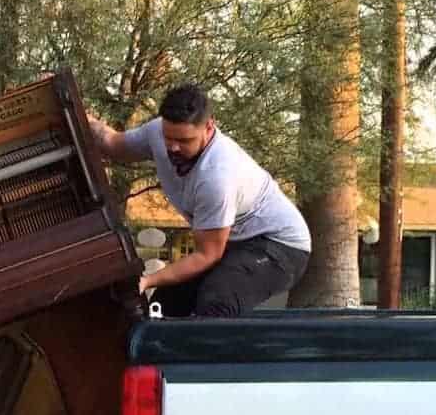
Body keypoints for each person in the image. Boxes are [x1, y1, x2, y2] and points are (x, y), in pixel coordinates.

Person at [87, 83, 311, 317]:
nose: (173, 147)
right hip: (232, 243)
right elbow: (113, 144)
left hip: (280, 247)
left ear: (209, 127)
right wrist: (65, 103)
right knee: (163, 308)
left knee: (217, 300)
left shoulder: (217, 176)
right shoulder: (156, 132)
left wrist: (148, 280)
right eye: (168, 137)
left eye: (184, 140)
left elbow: (208, 254)